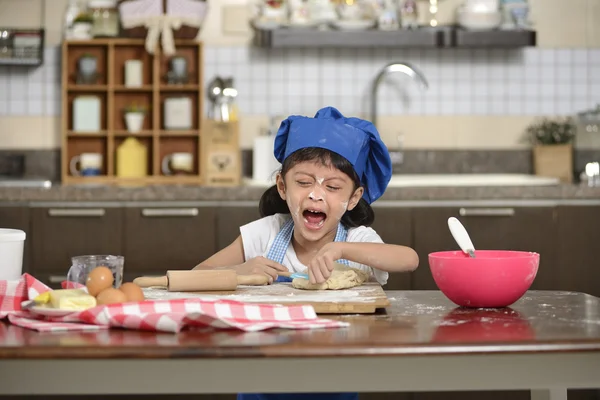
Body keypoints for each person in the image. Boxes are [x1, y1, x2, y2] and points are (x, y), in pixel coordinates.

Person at [193, 106, 419, 400]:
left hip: (335, 383)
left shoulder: (357, 240)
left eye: (333, 186)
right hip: (262, 382)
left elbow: (409, 259)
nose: (316, 194)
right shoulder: (265, 234)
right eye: (303, 182)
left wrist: (340, 249)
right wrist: (238, 271)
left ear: (353, 198)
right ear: (282, 186)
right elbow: (197, 276)